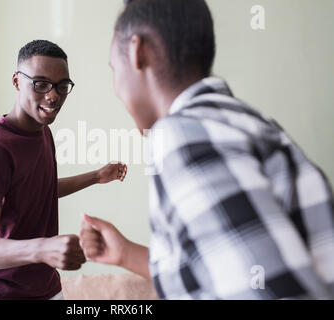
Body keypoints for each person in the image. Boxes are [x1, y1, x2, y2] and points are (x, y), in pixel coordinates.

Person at [80, 0, 334, 299]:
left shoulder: (184, 135)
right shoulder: (241, 122)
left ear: (138, 51)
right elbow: (226, 274)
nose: (115, 86)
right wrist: (125, 254)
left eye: (113, 67)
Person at [0, 40, 127, 300]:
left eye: (62, 86)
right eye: (41, 84)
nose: (53, 96)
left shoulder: (44, 133)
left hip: (46, 288)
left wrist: (96, 176)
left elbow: (39, 189)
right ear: (17, 82)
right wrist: (43, 249)